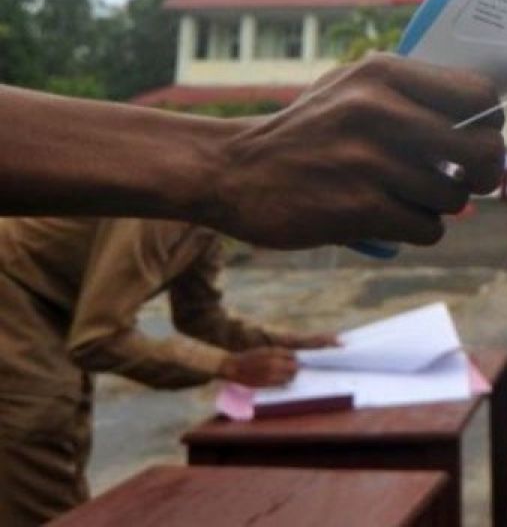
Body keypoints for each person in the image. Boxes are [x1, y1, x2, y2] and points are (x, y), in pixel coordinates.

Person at [0, 216, 336, 525]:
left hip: (55, 301)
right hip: (14, 288)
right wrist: (227, 365)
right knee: (37, 425)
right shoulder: (156, 216)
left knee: (63, 439)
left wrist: (293, 344)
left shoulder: (205, 222)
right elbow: (100, 338)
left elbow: (201, 318)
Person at [0, 54, 505, 248]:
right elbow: (100, 334)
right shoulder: (149, 223)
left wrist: (280, 349)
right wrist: (232, 162)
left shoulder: (191, 212)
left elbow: (198, 314)